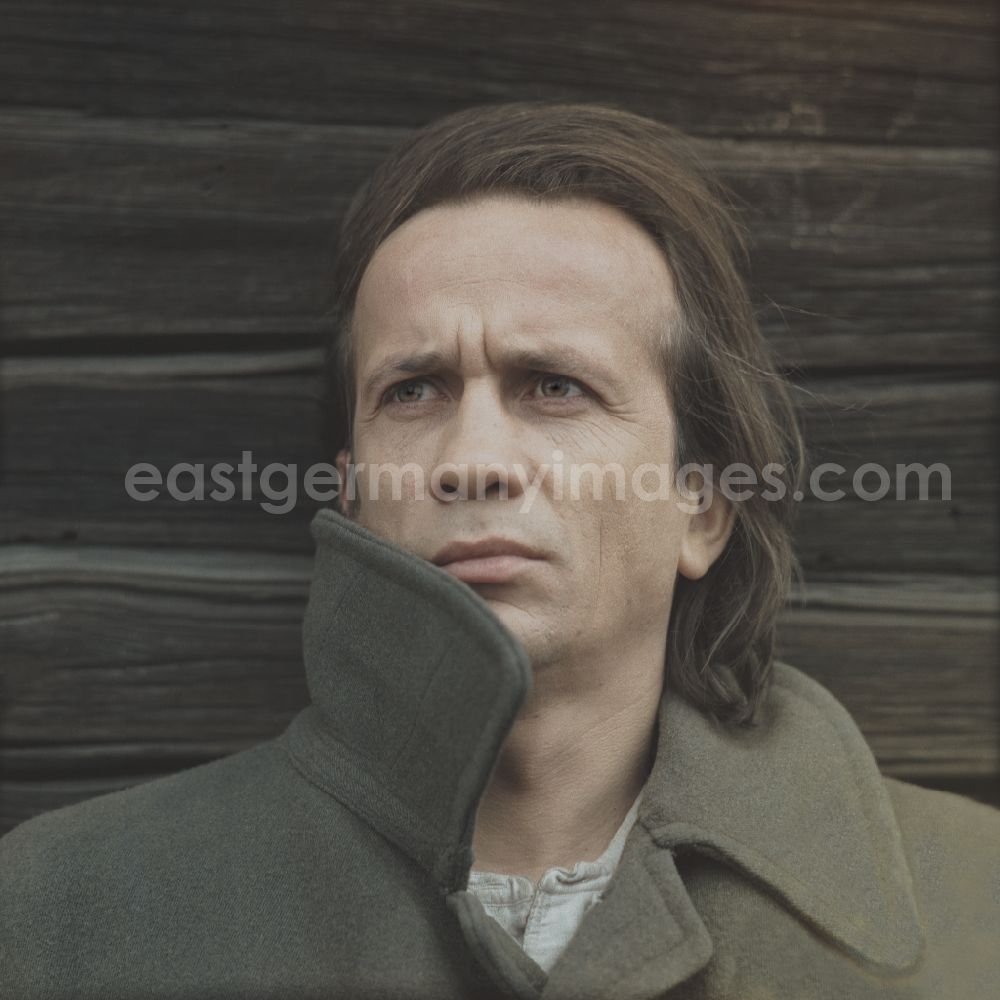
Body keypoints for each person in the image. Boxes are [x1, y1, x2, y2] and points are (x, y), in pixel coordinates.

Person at [2, 101, 998, 1000]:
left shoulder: (977, 904)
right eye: (413, 390)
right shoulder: (59, 910)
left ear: (701, 503)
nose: (472, 459)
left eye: (553, 386)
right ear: (350, 496)